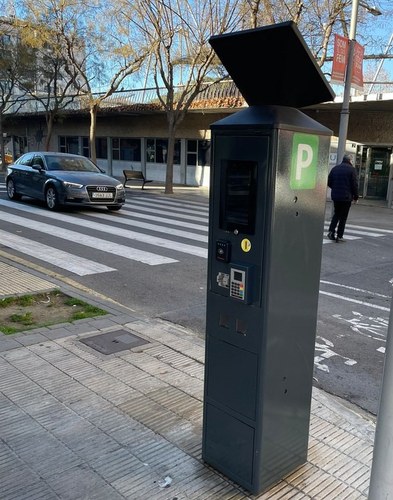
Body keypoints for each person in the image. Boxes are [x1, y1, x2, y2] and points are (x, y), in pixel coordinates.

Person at [327, 154, 359, 243]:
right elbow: (354, 185)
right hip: (346, 197)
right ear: (350, 161)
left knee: (336, 214)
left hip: (336, 196)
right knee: (343, 217)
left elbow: (329, 181)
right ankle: (339, 236)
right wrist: (356, 196)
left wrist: (335, 188)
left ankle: (331, 231)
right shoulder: (352, 170)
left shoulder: (335, 168)